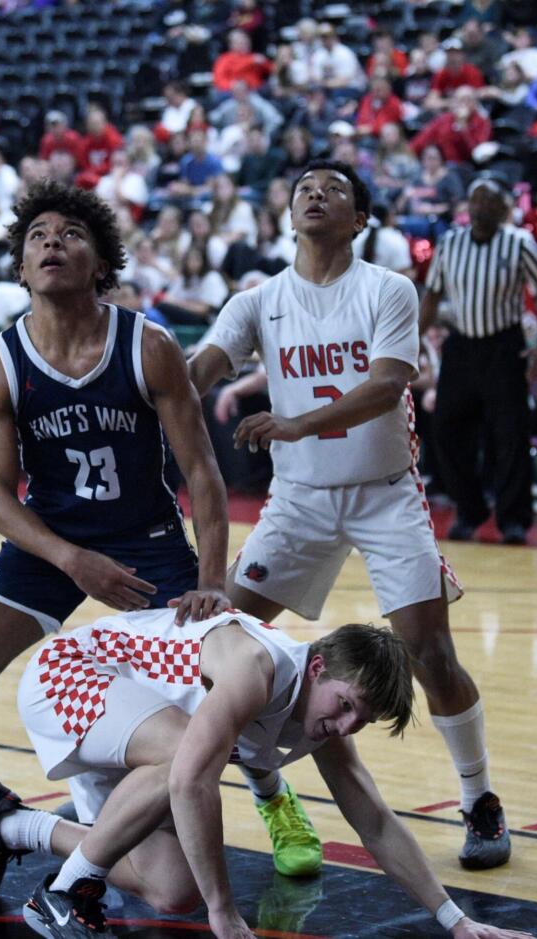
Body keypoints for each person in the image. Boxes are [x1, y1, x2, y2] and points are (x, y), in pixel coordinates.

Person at [0, 181, 239, 887]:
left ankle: (280, 800)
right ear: (18, 266)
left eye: (71, 233)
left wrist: (213, 581)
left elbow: (205, 477)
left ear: (102, 264)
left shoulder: (149, 346)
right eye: (38, 234)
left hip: (150, 541)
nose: (51, 243)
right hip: (52, 542)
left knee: (233, 680)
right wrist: (72, 559)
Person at [189, 160, 514, 871]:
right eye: (304, 185)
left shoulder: (388, 288)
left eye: (333, 188)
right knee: (220, 643)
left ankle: (480, 797)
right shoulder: (258, 300)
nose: (313, 192)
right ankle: (270, 793)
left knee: (432, 653)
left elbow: (388, 383)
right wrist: (147, 382)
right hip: (299, 499)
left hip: (384, 491)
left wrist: (297, 422)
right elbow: (197, 371)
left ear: (360, 218)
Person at [0, 610, 536, 939]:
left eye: (362, 720)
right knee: (187, 761)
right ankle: (62, 894)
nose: (345, 725)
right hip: (72, 676)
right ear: (317, 667)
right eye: (345, 705)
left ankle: (10, 824)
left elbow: (377, 825)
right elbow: (190, 780)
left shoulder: (322, 718)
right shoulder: (254, 667)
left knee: (172, 890)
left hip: (136, 730)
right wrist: (226, 913)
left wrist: (456, 921)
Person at [421, 173, 537, 544]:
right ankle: (470, 508)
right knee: (446, 428)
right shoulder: (450, 243)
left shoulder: (519, 243)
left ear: (503, 209)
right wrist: (412, 340)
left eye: (489, 200)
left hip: (504, 346)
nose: (481, 206)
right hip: (462, 346)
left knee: (510, 436)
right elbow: (432, 296)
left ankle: (513, 519)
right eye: (476, 199)